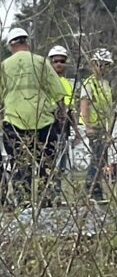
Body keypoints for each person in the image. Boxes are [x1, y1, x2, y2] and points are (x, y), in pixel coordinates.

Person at [0, 28, 66, 205]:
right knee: (46, 167)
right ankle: (47, 204)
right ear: (27, 42)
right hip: (43, 123)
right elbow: (58, 93)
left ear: (10, 45)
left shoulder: (5, 66)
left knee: (21, 168)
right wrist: (64, 117)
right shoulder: (41, 62)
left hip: (14, 123)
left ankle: (24, 205)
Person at [80, 48, 114, 201]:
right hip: (93, 126)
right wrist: (88, 125)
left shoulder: (106, 84)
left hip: (103, 126)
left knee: (102, 158)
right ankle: (92, 186)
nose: (102, 68)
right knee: (97, 157)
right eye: (100, 64)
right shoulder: (89, 83)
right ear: (93, 65)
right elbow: (85, 105)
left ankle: (96, 184)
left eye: (105, 65)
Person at [47, 46, 76, 176]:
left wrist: (76, 130)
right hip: (49, 124)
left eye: (62, 61)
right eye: (56, 61)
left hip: (64, 125)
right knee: (50, 159)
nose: (59, 64)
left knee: (62, 161)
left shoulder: (67, 84)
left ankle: (57, 190)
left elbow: (71, 108)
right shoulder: (45, 81)